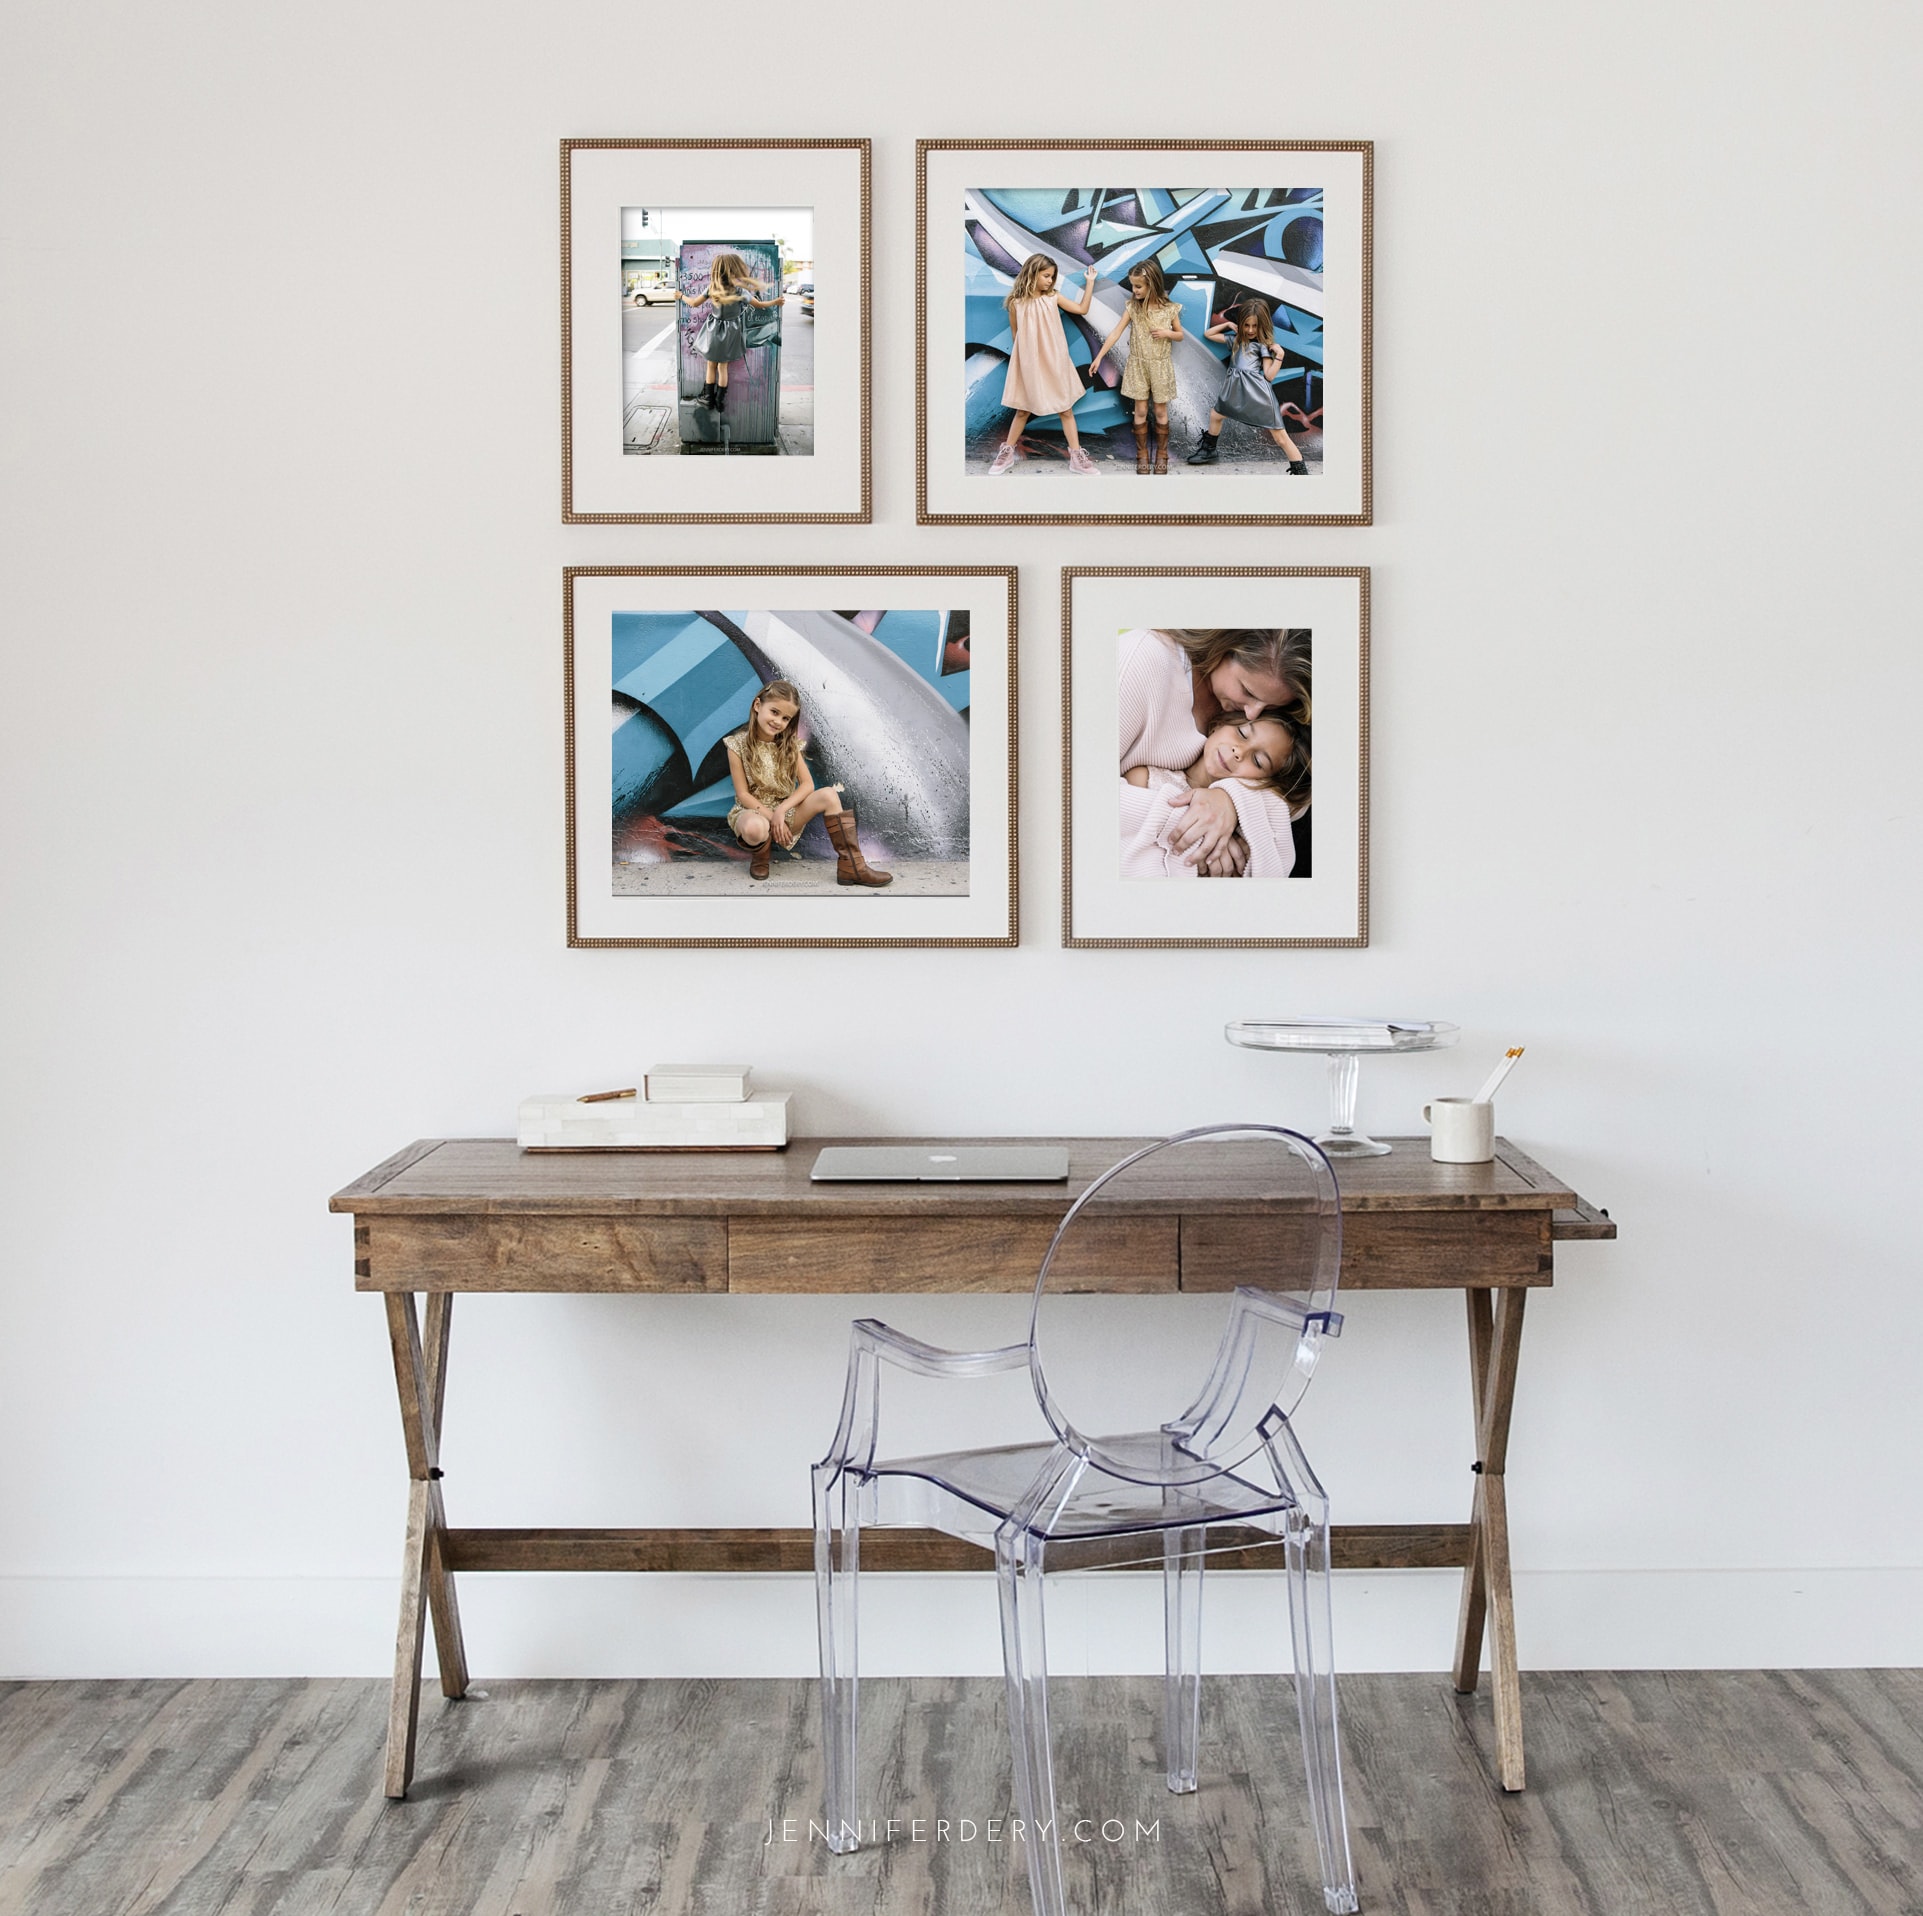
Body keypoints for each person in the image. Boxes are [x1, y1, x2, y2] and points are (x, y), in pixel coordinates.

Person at [1118, 627, 1311, 876]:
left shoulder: (1272, 693)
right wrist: (1205, 835)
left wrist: (1231, 800)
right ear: (1223, 649)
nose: (1252, 713)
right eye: (1248, 692)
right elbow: (1071, 793)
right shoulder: (1140, 662)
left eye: (1272, 705)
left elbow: (1298, 790)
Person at [723, 679, 893, 888]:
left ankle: (852, 866)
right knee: (754, 829)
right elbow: (743, 795)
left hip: (786, 812)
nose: (778, 721)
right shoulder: (737, 745)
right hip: (752, 811)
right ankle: (761, 857)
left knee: (829, 795)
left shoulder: (789, 746)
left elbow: (807, 785)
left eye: (786, 718)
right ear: (758, 706)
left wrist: (781, 812)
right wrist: (771, 817)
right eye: (774, 712)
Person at [1121, 706, 1310, 877]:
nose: (1239, 751)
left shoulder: (1237, 836)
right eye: (1242, 734)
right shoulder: (1145, 778)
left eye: (1258, 761)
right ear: (1218, 725)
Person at [988, 254, 1099, 475]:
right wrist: (1023, 364)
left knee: (1065, 409)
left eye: (1053, 277)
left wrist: (1090, 283)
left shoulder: (1053, 298)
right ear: (1033, 273)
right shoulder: (1016, 303)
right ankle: (1007, 453)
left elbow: (1081, 309)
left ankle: (1076, 456)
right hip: (1029, 363)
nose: (1050, 281)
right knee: (1022, 409)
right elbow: (1016, 335)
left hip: (1055, 361)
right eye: (1047, 276)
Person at [1187, 300, 1309, 471]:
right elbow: (1209, 334)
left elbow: (1269, 375)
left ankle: (1300, 470)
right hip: (1234, 391)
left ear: (1262, 325)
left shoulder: (1263, 347)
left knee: (1280, 436)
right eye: (1246, 325)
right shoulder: (1236, 341)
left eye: (1255, 326)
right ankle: (1209, 450)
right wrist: (1228, 324)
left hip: (1257, 394)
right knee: (1216, 415)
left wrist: (1280, 355)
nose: (1250, 330)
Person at [1088, 259, 1184, 474]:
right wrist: (1099, 357)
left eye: (1138, 286)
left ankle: (1162, 454)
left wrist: (1167, 333)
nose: (1134, 290)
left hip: (1160, 366)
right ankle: (1142, 455)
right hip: (1138, 365)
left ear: (1152, 284)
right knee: (1140, 410)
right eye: (1133, 285)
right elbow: (1115, 332)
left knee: (1160, 410)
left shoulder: (1169, 308)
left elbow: (1180, 334)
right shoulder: (1133, 307)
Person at [679, 252, 784, 413]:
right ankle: (720, 402)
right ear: (733, 271)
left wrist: (681, 296)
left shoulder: (712, 289)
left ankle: (708, 398)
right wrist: (775, 302)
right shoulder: (740, 292)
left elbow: (693, 303)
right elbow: (759, 305)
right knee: (723, 367)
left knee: (711, 365)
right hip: (732, 333)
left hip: (713, 332)